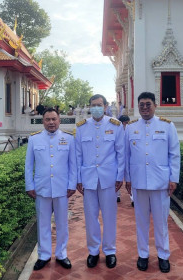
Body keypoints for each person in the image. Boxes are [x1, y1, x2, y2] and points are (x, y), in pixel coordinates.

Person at [125, 92, 180, 273]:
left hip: (160, 183)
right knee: (141, 222)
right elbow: (126, 156)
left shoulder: (167, 126)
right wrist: (128, 178)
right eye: (141, 105)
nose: (145, 108)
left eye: (148, 104)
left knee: (161, 222)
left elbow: (174, 154)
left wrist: (174, 178)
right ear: (138, 107)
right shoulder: (131, 128)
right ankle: (143, 255)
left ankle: (163, 255)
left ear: (155, 106)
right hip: (139, 182)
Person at [75, 94, 125, 269]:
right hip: (88, 179)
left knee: (109, 216)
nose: (96, 108)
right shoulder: (82, 127)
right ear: (90, 107)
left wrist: (120, 176)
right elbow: (78, 155)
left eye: (99, 105)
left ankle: (110, 251)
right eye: (93, 105)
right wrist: (78, 179)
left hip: (108, 178)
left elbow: (121, 152)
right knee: (91, 217)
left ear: (105, 106)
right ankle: (94, 251)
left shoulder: (115, 125)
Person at [25, 107, 77, 271]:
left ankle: (62, 254)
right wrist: (29, 185)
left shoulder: (69, 139)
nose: (51, 122)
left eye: (54, 119)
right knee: (43, 224)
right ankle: (44, 255)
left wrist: (72, 184)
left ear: (59, 120)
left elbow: (73, 164)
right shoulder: (34, 139)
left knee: (62, 223)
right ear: (43, 121)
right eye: (47, 119)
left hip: (62, 188)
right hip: (42, 188)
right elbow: (28, 165)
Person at [116, 115, 132, 205]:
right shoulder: (116, 131)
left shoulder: (131, 131)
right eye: (126, 123)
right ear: (122, 123)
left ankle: (133, 197)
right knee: (117, 177)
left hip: (128, 158)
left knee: (131, 177)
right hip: (119, 158)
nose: (128, 125)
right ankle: (117, 195)